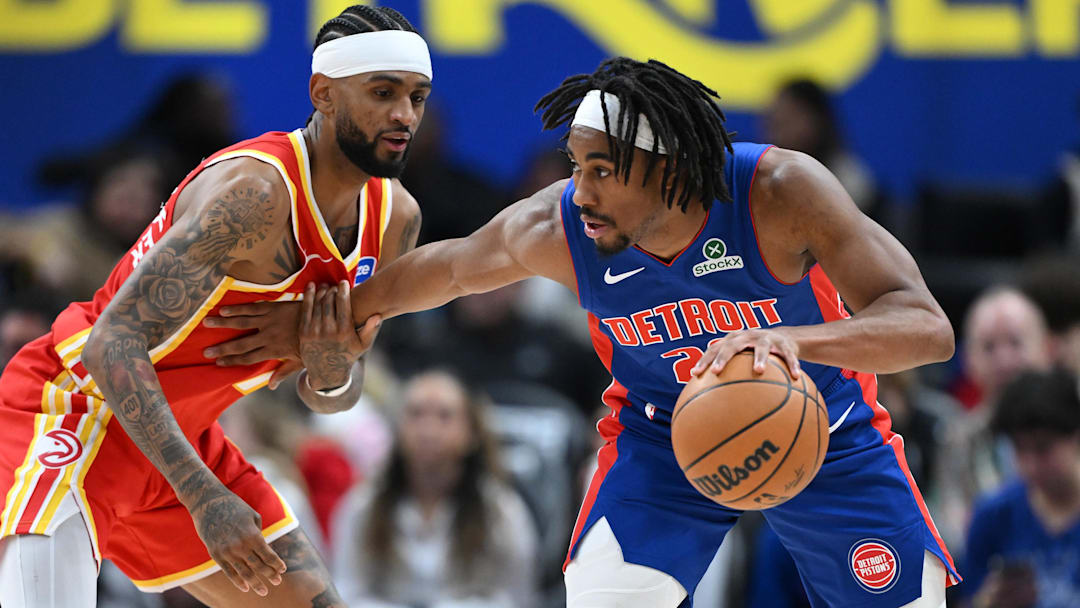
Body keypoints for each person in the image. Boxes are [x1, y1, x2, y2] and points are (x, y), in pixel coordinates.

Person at [211, 57, 959, 607]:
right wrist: (339, 313)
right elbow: (450, 269)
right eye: (575, 165)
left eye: (601, 169)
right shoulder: (560, 224)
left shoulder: (779, 191)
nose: (581, 190)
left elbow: (925, 328)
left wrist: (801, 341)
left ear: (669, 168)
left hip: (827, 429)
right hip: (661, 438)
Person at [0, 5, 428, 606]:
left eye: (417, 97)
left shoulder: (396, 220)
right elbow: (109, 344)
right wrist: (203, 498)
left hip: (180, 439)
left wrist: (331, 372)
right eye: (383, 93)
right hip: (80, 409)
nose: (404, 116)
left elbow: (336, 391)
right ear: (323, 94)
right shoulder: (255, 194)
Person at [331, 369, 538, 607]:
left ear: (472, 433)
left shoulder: (501, 510)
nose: (428, 429)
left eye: (444, 416)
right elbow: (347, 592)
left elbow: (517, 597)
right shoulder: (363, 505)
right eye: (415, 414)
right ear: (397, 428)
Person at [960, 368, 1080, 608]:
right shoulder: (992, 516)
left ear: (1075, 436)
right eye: (1019, 449)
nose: (1031, 466)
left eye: (1043, 448)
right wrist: (987, 602)